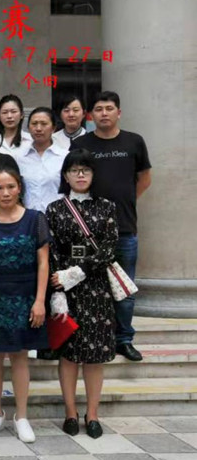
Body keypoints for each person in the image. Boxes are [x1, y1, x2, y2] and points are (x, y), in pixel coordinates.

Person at [72, 91, 151, 362]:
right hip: (87, 231)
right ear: (90, 115)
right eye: (98, 109)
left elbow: (144, 178)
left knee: (124, 288)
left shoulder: (134, 141)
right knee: (87, 286)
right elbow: (74, 179)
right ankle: (92, 335)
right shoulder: (81, 144)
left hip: (124, 228)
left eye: (109, 108)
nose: (104, 113)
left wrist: (125, 203)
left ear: (119, 112)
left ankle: (123, 339)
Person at [46, 149, 119, 439]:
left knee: (94, 356)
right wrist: (57, 286)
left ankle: (92, 414)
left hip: (96, 288)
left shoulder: (107, 207)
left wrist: (79, 272)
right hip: (65, 289)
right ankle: (70, 413)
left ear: (93, 175)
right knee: (69, 354)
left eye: (85, 170)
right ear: (65, 176)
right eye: (74, 170)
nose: (80, 175)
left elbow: (109, 248)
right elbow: (51, 250)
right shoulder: (55, 209)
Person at [0, 168, 49, 443]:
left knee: (20, 355)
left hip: (25, 294)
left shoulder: (35, 219)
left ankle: (22, 416)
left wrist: (40, 301)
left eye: (10, 187)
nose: (5, 193)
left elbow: (44, 262)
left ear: (19, 188)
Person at [16, 107, 67, 213]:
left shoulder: (64, 157)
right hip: (28, 217)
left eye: (44, 124)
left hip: (57, 216)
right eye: (34, 124)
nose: (38, 128)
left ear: (53, 128)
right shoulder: (19, 157)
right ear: (28, 128)